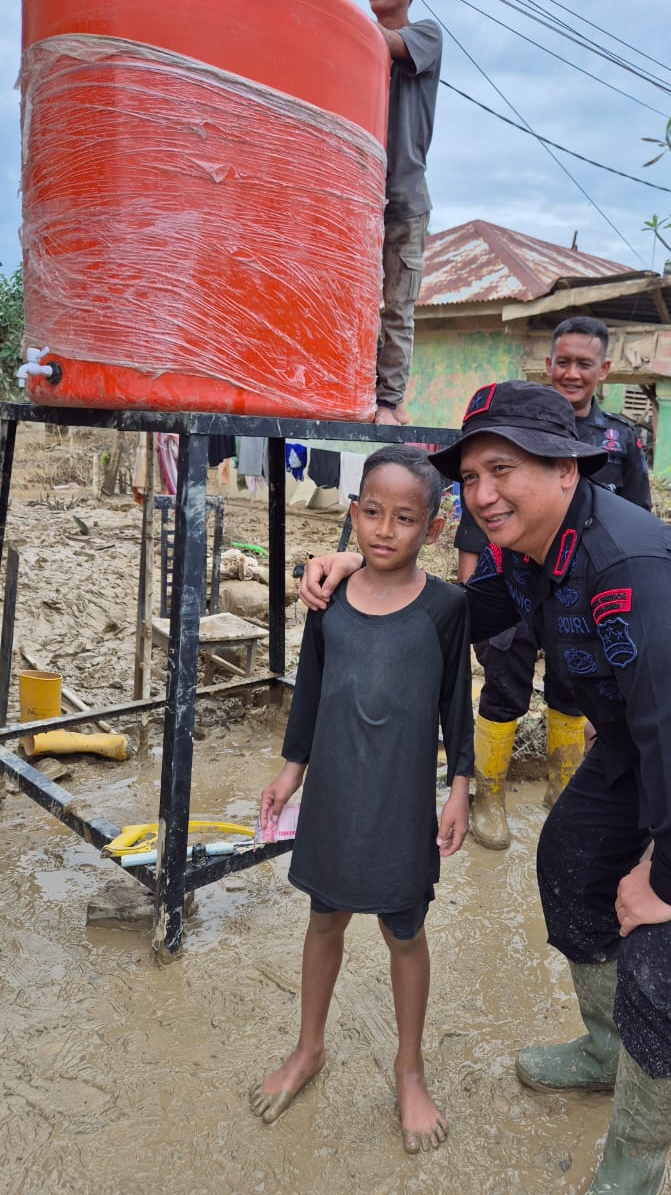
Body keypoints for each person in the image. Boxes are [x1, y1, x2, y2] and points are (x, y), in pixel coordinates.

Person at [299, 381, 671, 1194]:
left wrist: (668, 871)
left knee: (660, 948)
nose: (483, 493)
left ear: (567, 470)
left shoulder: (632, 571)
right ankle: (608, 1049)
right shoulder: (533, 553)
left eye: (502, 469)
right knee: (572, 861)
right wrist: (365, 569)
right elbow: (462, 611)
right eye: (470, 477)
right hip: (645, 743)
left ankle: (635, 1164)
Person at [250, 445, 473, 1155]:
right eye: (372, 512)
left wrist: (459, 788)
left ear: (432, 530)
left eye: (405, 518)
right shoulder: (328, 598)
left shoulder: (447, 607)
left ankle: (409, 1069)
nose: (384, 530)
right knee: (325, 919)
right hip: (337, 791)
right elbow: (309, 689)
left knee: (404, 930)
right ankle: (308, 1047)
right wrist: (293, 770)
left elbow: (455, 708)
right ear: (353, 514)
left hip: (401, 798)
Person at [454, 317, 651, 849]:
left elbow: (636, 518)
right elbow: (480, 522)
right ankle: (488, 796)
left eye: (583, 364)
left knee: (574, 690)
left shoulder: (619, 440)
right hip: (513, 581)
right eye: (562, 362)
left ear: (602, 370)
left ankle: (567, 786)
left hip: (583, 593)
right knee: (504, 687)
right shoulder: (514, 420)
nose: (571, 373)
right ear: (549, 364)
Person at [365, 0, 442, 427]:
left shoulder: (425, 35)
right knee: (347, 296)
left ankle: (389, 403)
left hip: (403, 197)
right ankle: (345, 387)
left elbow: (387, 43)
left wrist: (323, 17)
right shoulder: (354, 40)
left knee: (396, 305)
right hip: (354, 194)